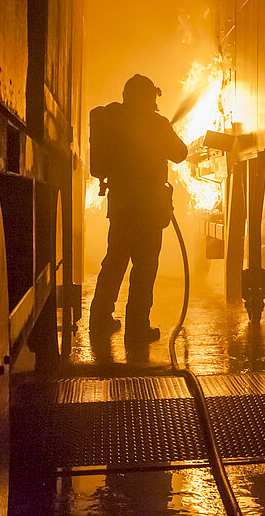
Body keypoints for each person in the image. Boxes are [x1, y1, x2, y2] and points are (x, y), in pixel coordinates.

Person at [89, 74, 188, 342]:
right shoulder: (157, 123)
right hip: (148, 210)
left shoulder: (112, 120)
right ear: (149, 98)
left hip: (121, 206)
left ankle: (99, 319)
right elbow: (181, 153)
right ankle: (137, 328)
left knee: (114, 262)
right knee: (144, 268)